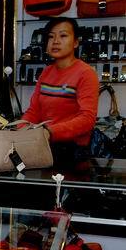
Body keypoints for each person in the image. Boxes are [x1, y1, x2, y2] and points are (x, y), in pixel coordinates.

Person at [22, 17, 99, 162]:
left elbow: (87, 119)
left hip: (72, 152)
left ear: (76, 42)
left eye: (63, 35)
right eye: (51, 37)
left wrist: (50, 132)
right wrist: (20, 129)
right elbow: (34, 111)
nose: (55, 41)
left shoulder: (86, 73)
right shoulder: (46, 72)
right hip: (43, 145)